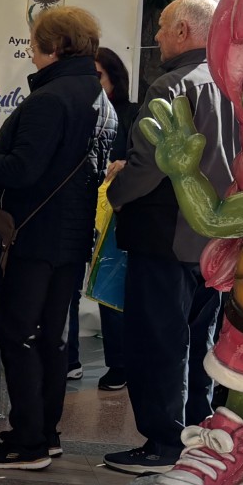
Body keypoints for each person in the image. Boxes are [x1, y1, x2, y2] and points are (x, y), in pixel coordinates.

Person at [0, 8, 117, 469]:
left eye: (34, 43)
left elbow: (23, 170)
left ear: (52, 48)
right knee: (51, 338)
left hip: (33, 234)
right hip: (72, 237)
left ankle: (27, 439)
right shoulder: (99, 98)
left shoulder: (50, 99)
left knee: (18, 334)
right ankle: (45, 433)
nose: (31, 51)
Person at [103, 0, 239, 474]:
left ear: (184, 30)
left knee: (157, 341)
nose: (156, 35)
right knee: (199, 341)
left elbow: (148, 164)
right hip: (217, 236)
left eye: (162, 25)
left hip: (166, 233)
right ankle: (194, 433)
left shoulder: (173, 85)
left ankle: (163, 442)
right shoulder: (232, 83)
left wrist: (114, 193)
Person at [70, 45, 137, 391]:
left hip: (115, 217)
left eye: (99, 75)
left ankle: (120, 364)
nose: (93, 82)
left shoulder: (133, 113)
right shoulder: (79, 111)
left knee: (112, 291)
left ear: (115, 77)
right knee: (68, 286)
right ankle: (69, 360)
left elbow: (146, 162)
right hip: (78, 210)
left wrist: (127, 165)